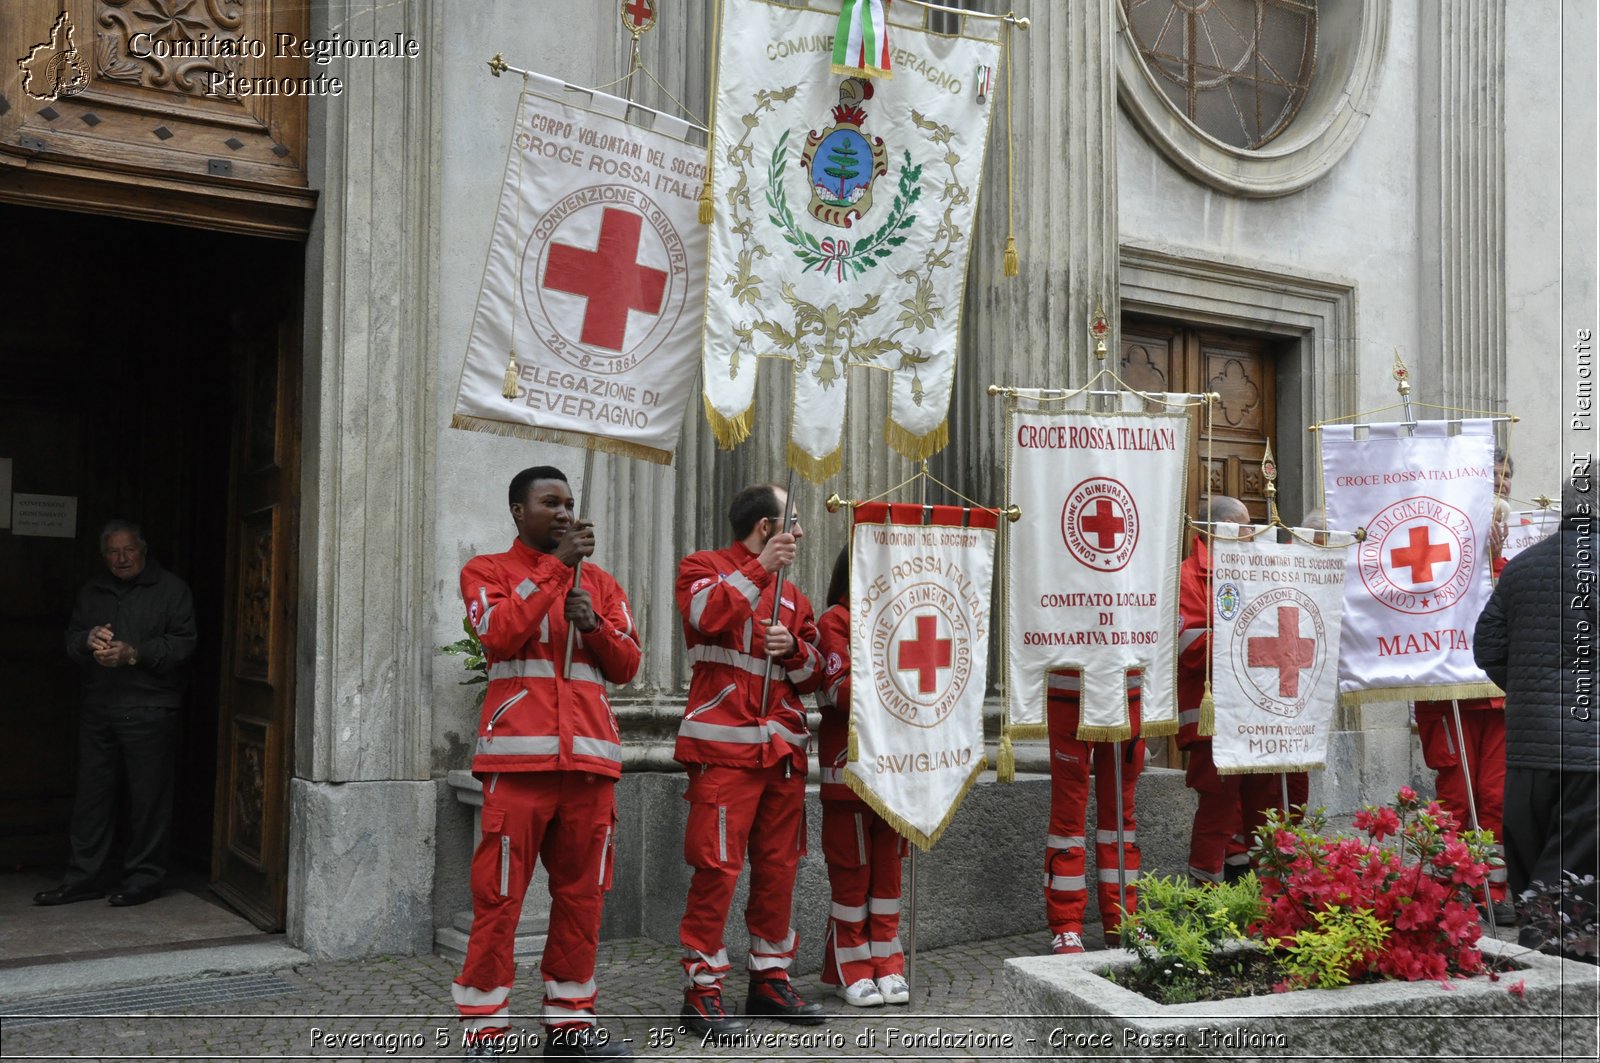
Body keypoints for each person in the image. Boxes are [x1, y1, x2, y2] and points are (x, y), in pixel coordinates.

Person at [449, 466, 640, 1060]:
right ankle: (484, 1028)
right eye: (549, 503)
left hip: (589, 766)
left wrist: (596, 624)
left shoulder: (602, 584)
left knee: (584, 898)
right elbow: (500, 636)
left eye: (569, 503)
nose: (563, 512)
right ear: (518, 512)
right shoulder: (486, 572)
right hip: (519, 767)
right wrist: (555, 567)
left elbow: (628, 664)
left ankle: (570, 1022)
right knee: (499, 899)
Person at [673, 483, 826, 1036]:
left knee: (780, 871)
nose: (801, 531)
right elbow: (707, 615)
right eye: (793, 521)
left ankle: (768, 980)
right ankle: (702, 990)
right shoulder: (702, 567)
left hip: (782, 752)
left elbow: (815, 678)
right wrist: (760, 567)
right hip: (723, 751)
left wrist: (798, 651)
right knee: (716, 870)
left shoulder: (796, 597)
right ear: (766, 527)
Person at [36, 520, 196, 909]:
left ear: (143, 550)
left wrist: (133, 654)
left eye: (128, 550)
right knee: (92, 797)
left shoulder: (172, 589)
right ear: (103, 555)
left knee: (148, 800)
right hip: (100, 707)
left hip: (150, 707)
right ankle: (84, 879)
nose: (121, 558)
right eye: (113, 551)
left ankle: (144, 879)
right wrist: (85, 640)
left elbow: (184, 644)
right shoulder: (93, 591)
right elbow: (71, 638)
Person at [1473, 474, 1599, 939]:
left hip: (1529, 743)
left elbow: (1487, 645)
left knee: (1532, 850)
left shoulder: (1522, 566)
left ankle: (1540, 945)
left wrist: (1526, 689)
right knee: (1575, 864)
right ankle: (1556, 959)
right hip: (1591, 752)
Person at [1175, 498, 1310, 886]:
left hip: (1260, 716)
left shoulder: (1260, 571)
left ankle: (1265, 898)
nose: (1255, 536)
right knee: (1217, 811)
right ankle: (1204, 901)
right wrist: (1250, 634)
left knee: (1266, 808)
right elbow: (1192, 648)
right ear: (1219, 530)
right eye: (1246, 527)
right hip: (1216, 720)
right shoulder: (1189, 576)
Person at [1414, 450, 1513, 921]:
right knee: (1457, 797)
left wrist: (1495, 558)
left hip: (1498, 700)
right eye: (1493, 476)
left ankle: (1493, 893)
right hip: (1450, 697)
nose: (1503, 484)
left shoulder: (1512, 564)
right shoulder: (1436, 552)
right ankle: (1447, 892)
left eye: (1507, 475)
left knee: (1495, 796)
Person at [815, 547, 909, 1008]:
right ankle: (852, 968)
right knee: (852, 878)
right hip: (848, 770)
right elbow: (838, 691)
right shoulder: (835, 619)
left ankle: (888, 963)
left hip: (894, 771)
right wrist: (898, 681)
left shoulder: (904, 617)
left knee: (888, 878)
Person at [1043, 671, 1143, 949]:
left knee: (1120, 821)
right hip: (1069, 694)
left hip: (1127, 696)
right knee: (1068, 818)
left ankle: (1122, 919)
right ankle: (1066, 924)